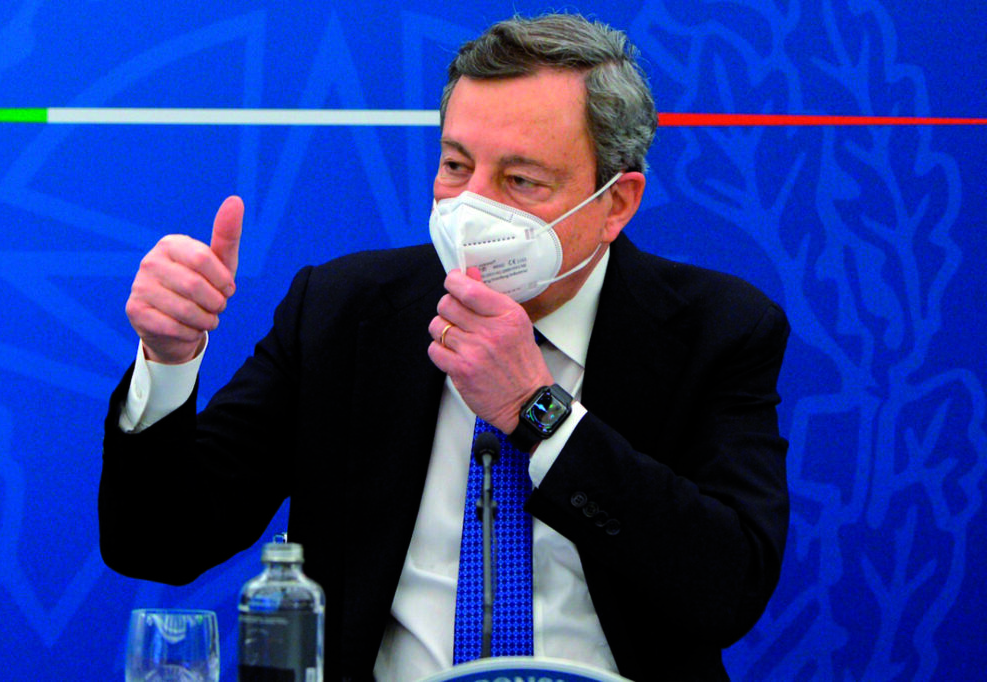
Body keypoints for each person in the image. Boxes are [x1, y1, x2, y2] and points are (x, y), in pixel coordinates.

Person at [99, 13, 790, 682]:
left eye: (521, 181)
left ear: (617, 202)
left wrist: (537, 411)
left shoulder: (717, 330)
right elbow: (161, 540)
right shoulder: (344, 310)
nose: (472, 209)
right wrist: (167, 361)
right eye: (457, 166)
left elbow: (727, 589)